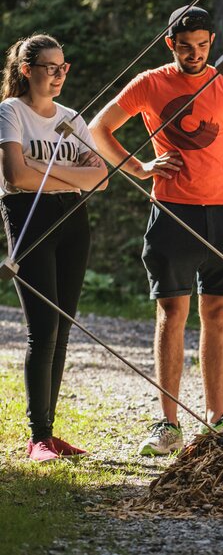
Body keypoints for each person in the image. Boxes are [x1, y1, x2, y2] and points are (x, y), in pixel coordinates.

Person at [90, 6, 223, 455]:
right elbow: (98, 128)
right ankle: (168, 424)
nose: (195, 54)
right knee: (172, 315)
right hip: (173, 211)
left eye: (203, 46)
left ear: (212, 41)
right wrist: (141, 168)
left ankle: (217, 419)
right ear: (171, 44)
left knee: (218, 315)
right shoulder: (150, 83)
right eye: (186, 47)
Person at [0, 34, 108, 461]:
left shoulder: (72, 117)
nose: (60, 74)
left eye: (64, 67)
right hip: (28, 217)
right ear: (27, 70)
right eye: (51, 67)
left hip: (72, 222)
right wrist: (67, 172)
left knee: (62, 328)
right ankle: (37, 436)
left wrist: (41, 166)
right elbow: (16, 177)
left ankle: (50, 431)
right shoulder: (11, 112)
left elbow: (100, 178)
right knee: (42, 329)